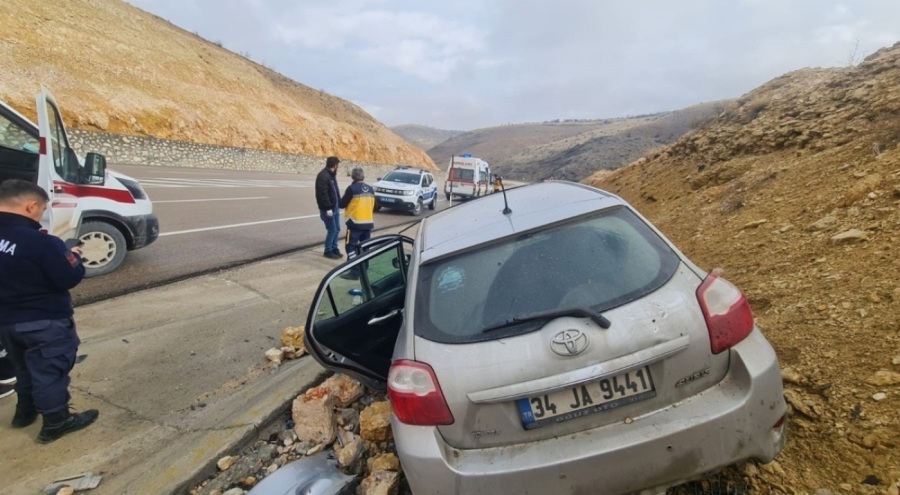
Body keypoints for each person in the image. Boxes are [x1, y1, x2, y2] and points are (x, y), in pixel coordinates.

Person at [0, 179, 99, 443]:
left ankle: (24, 413)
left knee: (22, 369)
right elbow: (67, 277)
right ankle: (56, 422)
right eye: (43, 209)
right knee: (49, 373)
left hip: (7, 322)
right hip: (44, 323)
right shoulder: (43, 243)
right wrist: (74, 257)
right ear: (31, 206)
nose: (42, 214)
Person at [338, 167, 375, 261]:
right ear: (363, 176)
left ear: (352, 177)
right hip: (368, 223)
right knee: (365, 247)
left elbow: (342, 204)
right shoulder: (371, 189)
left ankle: (355, 269)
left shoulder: (351, 189)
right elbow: (374, 206)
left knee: (350, 247)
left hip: (355, 223)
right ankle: (363, 268)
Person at [315, 156, 342, 259]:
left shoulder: (331, 175)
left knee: (337, 229)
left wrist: (339, 202)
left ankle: (334, 248)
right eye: (337, 166)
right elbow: (323, 194)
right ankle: (328, 250)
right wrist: (327, 208)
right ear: (334, 166)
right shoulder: (323, 176)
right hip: (328, 209)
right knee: (332, 230)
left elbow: (335, 191)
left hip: (335, 207)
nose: (338, 168)